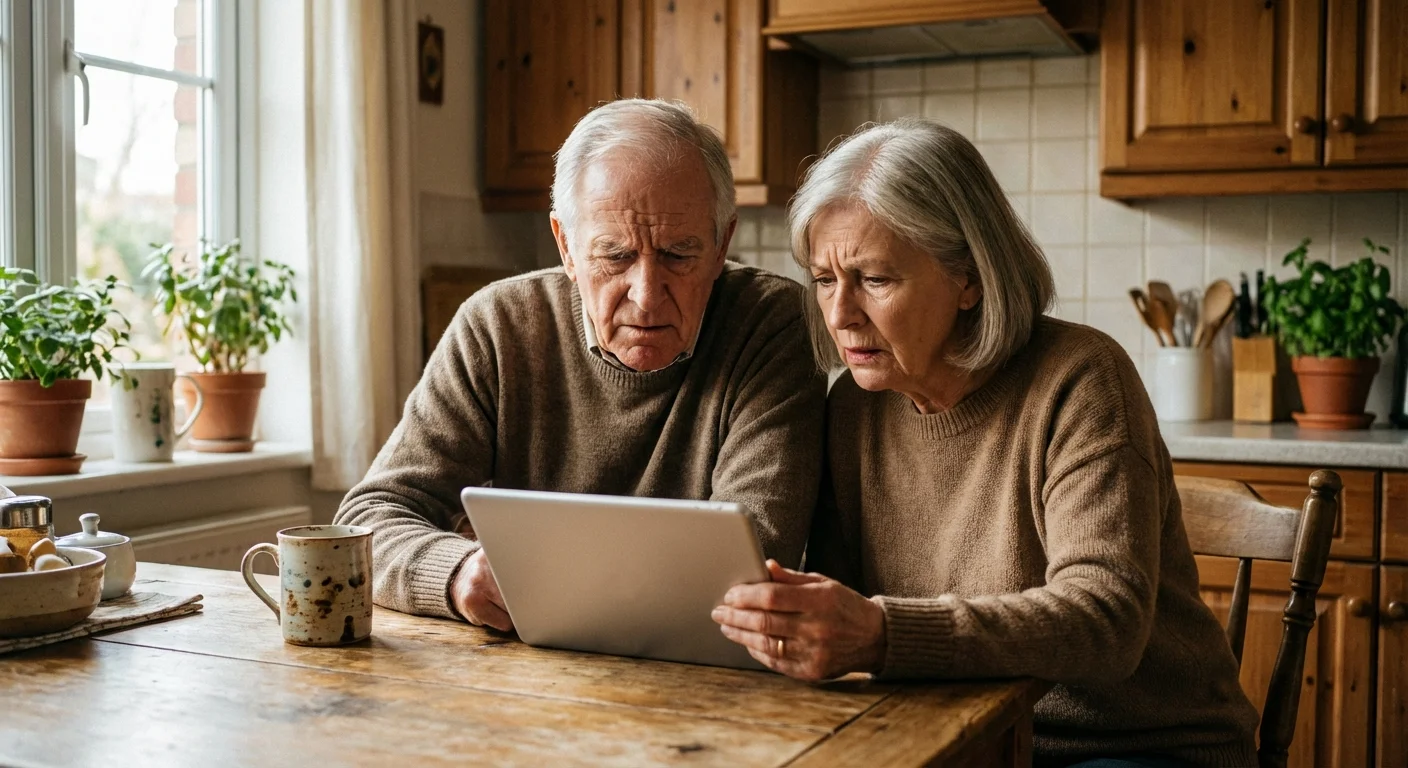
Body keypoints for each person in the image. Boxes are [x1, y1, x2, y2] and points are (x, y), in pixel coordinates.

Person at [711, 118, 1259, 767]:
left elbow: (1106, 622)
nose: (839, 314)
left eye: (875, 279)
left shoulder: (1082, 380)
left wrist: (885, 635)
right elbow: (842, 608)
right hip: (949, 732)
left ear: (969, 278)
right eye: (826, 280)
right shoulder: (854, 406)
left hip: (1133, 745)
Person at [337, 99, 824, 630]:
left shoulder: (772, 325)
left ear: (721, 243)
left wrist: (547, 577)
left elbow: (747, 558)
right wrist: (456, 573)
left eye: (679, 254)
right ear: (565, 246)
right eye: (615, 255)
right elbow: (370, 518)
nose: (646, 296)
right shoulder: (497, 324)